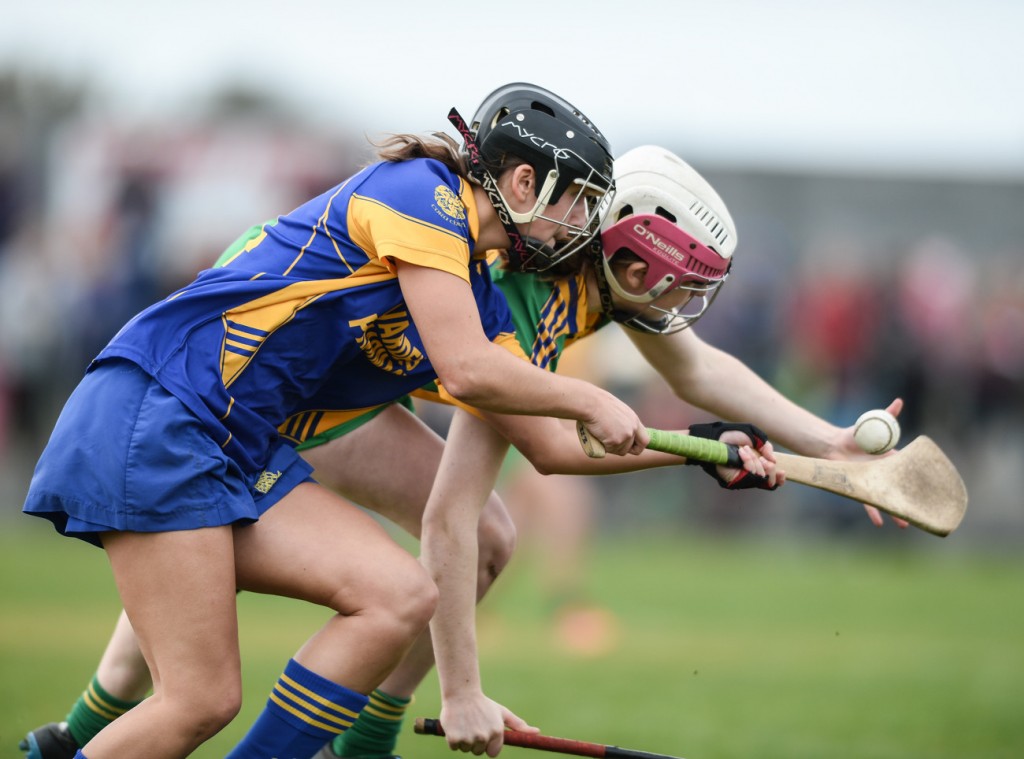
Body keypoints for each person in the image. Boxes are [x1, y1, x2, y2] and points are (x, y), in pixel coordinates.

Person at [19, 82, 662, 759]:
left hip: (230, 442)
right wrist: (591, 398)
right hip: (162, 410)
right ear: (524, 180)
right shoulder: (423, 192)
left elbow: (538, 428)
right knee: (199, 699)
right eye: (577, 200)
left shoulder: (476, 288)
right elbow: (471, 369)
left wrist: (701, 444)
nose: (583, 224)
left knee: (400, 595)